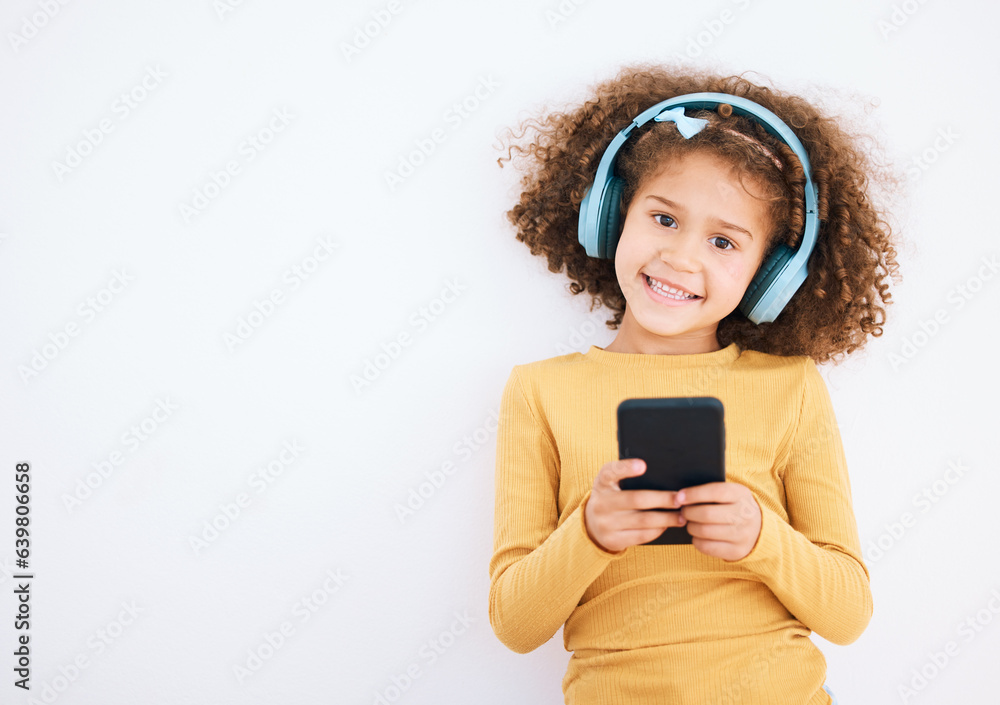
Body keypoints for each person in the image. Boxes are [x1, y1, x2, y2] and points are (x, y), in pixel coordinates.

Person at [488, 62, 901, 705]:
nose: (682, 258)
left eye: (724, 242)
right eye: (663, 219)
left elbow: (848, 614)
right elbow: (515, 625)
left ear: (770, 278)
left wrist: (763, 539)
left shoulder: (790, 388)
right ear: (612, 216)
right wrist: (590, 532)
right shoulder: (538, 393)